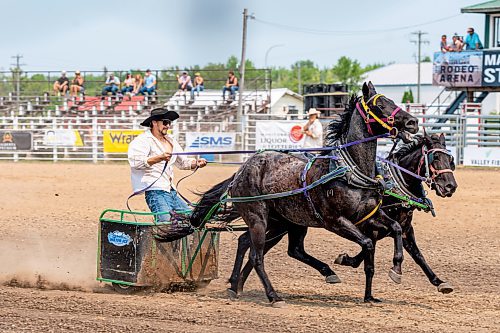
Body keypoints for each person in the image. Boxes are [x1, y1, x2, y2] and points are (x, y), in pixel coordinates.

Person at [128, 108, 207, 226]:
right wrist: (159, 158)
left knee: (191, 220)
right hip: (154, 190)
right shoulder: (143, 141)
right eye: (165, 122)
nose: (168, 126)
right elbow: (136, 162)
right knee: (165, 224)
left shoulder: (171, 141)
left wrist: (196, 163)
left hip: (170, 190)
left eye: (169, 123)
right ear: (154, 122)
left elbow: (182, 163)